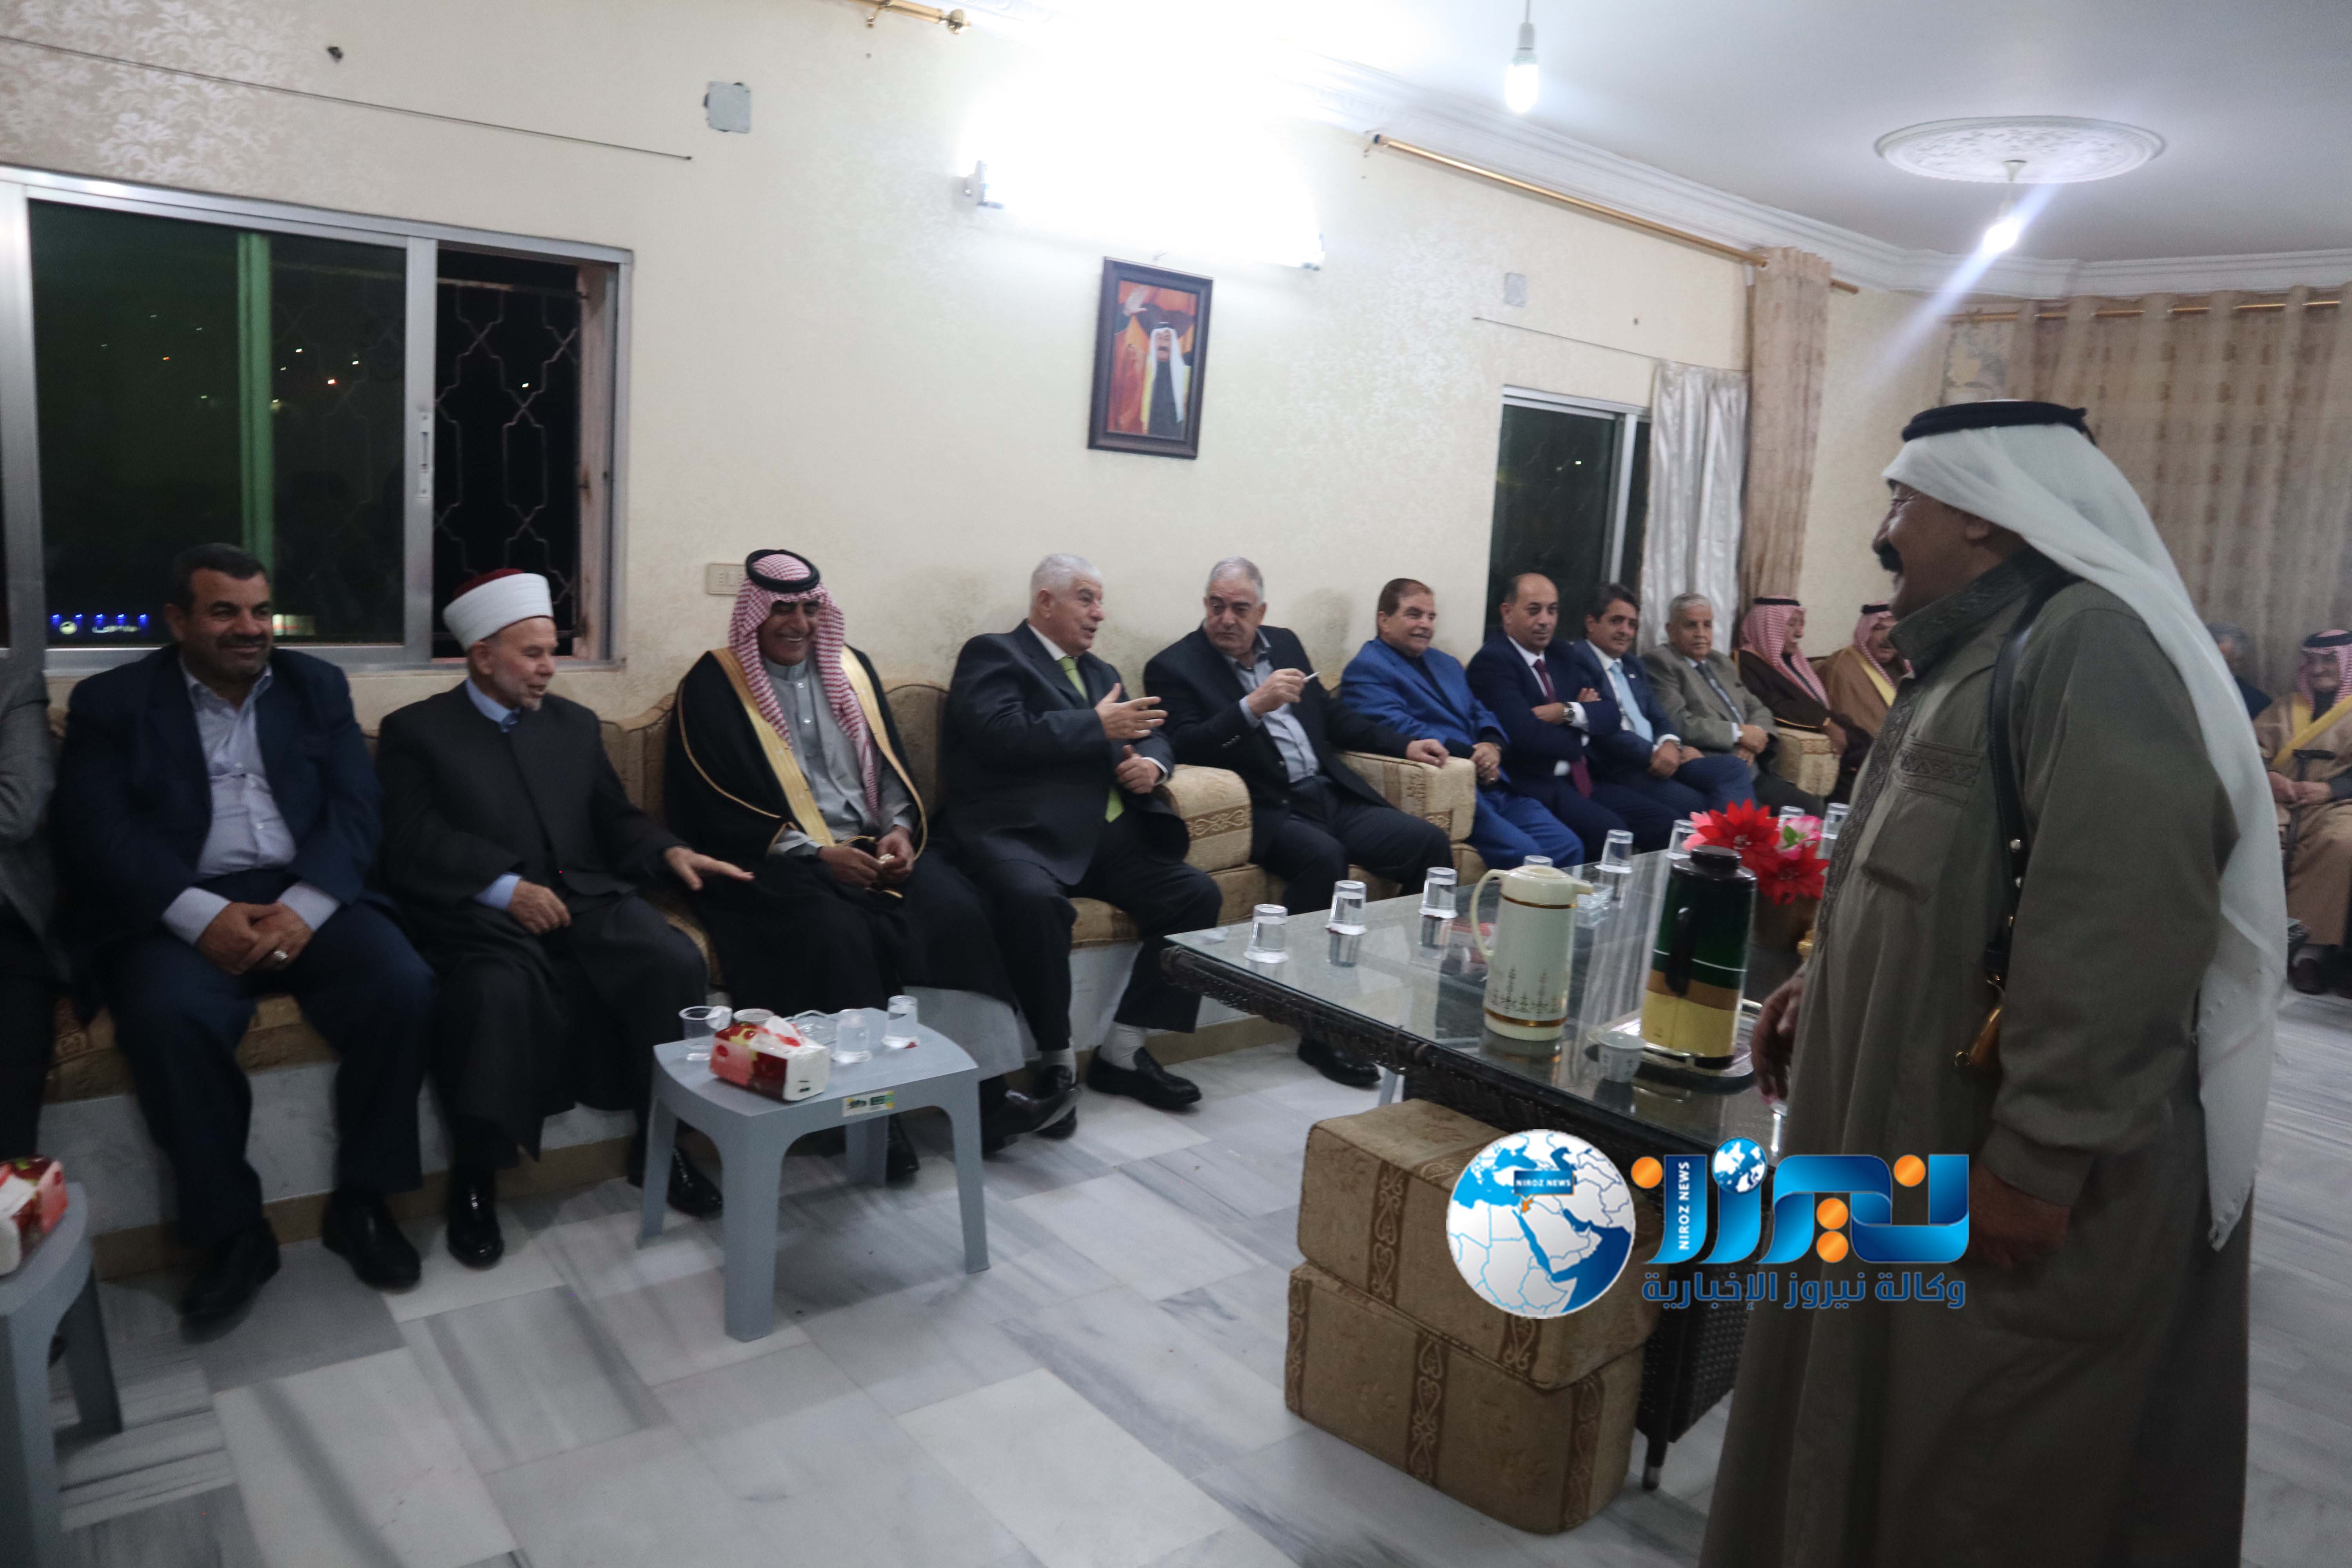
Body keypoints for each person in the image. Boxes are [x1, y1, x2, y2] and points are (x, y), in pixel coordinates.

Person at [1708, 401, 2274, 1567]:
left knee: (1969, 1475)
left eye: (1900, 499)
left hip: (1994, 1173)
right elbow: (1924, 867)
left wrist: (2038, 1159)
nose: (1883, 528)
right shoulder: (1967, 654)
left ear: (1980, 510)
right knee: (1850, 1422)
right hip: (1895, 1135)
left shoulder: (2087, 646)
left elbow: (2118, 927)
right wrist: (1823, 979)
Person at [51, 545, 433, 1322]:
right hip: (179, 903)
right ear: (178, 619)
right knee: (167, 1017)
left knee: (403, 984)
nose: (250, 628)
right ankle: (233, 1234)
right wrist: (199, 915)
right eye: (224, 611)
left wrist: (307, 906)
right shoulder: (113, 702)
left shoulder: (315, 685)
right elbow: (98, 833)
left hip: (306, 889)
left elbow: (357, 809)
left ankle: (363, 1201)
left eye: (261, 611)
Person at [376, 570, 746, 1269]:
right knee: (491, 993)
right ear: (482, 656)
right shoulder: (418, 731)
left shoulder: (574, 726)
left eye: (553, 652)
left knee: (671, 960)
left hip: (585, 898)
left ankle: (661, 1147)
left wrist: (668, 852)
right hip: (480, 915)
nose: (550, 668)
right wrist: (503, 887)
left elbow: (613, 817)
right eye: (533, 654)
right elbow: (412, 839)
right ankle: (476, 1179)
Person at [664, 550, 1070, 1160]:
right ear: (754, 614)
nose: (799, 623)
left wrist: (899, 830)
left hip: (869, 848)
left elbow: (888, 769)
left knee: (956, 912)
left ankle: (984, 1099)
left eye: (810, 609)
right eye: (782, 610)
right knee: (836, 933)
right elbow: (710, 803)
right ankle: (868, 1122)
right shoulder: (713, 685)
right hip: (773, 860)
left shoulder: (851, 669)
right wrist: (816, 855)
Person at [1145, 557, 1453, 1086]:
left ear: (1261, 611)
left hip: (1329, 795)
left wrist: (1403, 744)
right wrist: (1251, 707)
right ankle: (1321, 1028)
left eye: (1240, 608)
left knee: (1427, 844)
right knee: (1324, 859)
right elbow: (1186, 744)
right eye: (1217, 606)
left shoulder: (1285, 645)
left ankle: (1424, 998)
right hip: (1268, 807)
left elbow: (1333, 719)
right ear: (1205, 605)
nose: (1227, 619)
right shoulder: (1174, 666)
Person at [943, 555, 1221, 1135]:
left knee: (1196, 895)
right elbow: (998, 734)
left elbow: (1153, 731)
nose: (1100, 613)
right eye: (1086, 599)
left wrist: (1152, 765)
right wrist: (1095, 726)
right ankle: (1057, 1062)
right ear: (1046, 601)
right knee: (1033, 903)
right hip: (1021, 834)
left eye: (1100, 601)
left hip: (1108, 838)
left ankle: (1124, 1050)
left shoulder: (1101, 671)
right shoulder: (995, 654)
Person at [1337, 578, 1583, 869]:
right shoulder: (1367, 669)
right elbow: (1400, 727)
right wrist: (1472, 755)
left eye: (1431, 617)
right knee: (1525, 854)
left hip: (1494, 783)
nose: (1426, 625)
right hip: (1450, 788)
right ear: (1384, 621)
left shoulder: (1446, 663)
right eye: (1414, 615)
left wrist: (1492, 744)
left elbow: (1479, 711)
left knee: (1568, 846)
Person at [1464, 573, 1666, 850]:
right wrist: (1584, 730)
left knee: (1663, 822)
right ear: (1507, 613)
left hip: (1584, 776)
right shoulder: (1493, 662)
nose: (1545, 621)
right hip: (1536, 782)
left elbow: (1610, 714)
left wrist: (1567, 713)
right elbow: (1526, 736)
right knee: (1610, 832)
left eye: (1552, 610)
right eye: (1534, 610)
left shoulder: (1561, 652)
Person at [1551, 583, 1755, 822]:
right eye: (1617, 621)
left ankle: (1738, 839)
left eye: (1632, 624)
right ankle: (1730, 841)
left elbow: (1659, 717)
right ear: (1591, 623)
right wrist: (1656, 753)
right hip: (1623, 765)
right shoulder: (1576, 661)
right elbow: (1602, 728)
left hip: (1662, 758)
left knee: (1733, 768)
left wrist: (1670, 743)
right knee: (1699, 806)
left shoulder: (1632, 665)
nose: (1626, 631)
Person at [1641, 593, 1823, 816]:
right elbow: (1679, 723)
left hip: (1752, 766)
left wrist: (1752, 737)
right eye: (1691, 625)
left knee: (1811, 809)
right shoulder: (1661, 663)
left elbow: (1758, 708)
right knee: (1757, 825)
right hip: (1714, 768)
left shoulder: (1720, 662)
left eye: (1707, 625)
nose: (1701, 634)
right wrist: (1738, 734)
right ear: (1671, 630)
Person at [2256, 630, 2352, 993]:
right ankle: (2250, 941)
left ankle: (2309, 953)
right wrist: (2270, 778)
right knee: (2249, 834)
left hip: (2336, 804)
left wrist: (2331, 789)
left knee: (2341, 843)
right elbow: (2247, 749)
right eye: (2311, 660)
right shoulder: (2284, 707)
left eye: (2328, 660)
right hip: (2277, 800)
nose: (2318, 669)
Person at [0, 659, 62, 1160]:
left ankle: (10, 1196)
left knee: (13, 1063)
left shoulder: (11, 684)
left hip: (9, 924)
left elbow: (17, 809)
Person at [1735, 596, 1868, 799]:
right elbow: (1772, 705)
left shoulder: (1790, 659)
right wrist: (1824, 723)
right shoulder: (1747, 663)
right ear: (1768, 627)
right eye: (1791, 625)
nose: (1800, 633)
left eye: (1800, 625)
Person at [1813, 601, 1904, 742]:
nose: (1888, 637)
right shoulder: (1842, 665)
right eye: (1879, 628)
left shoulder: (1905, 666)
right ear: (1865, 633)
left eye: (1895, 629)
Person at [2209, 620, 2272, 722]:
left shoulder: (2254, 702)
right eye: (2211, 655)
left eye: (2226, 660)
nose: (2214, 664)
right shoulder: (2185, 687)